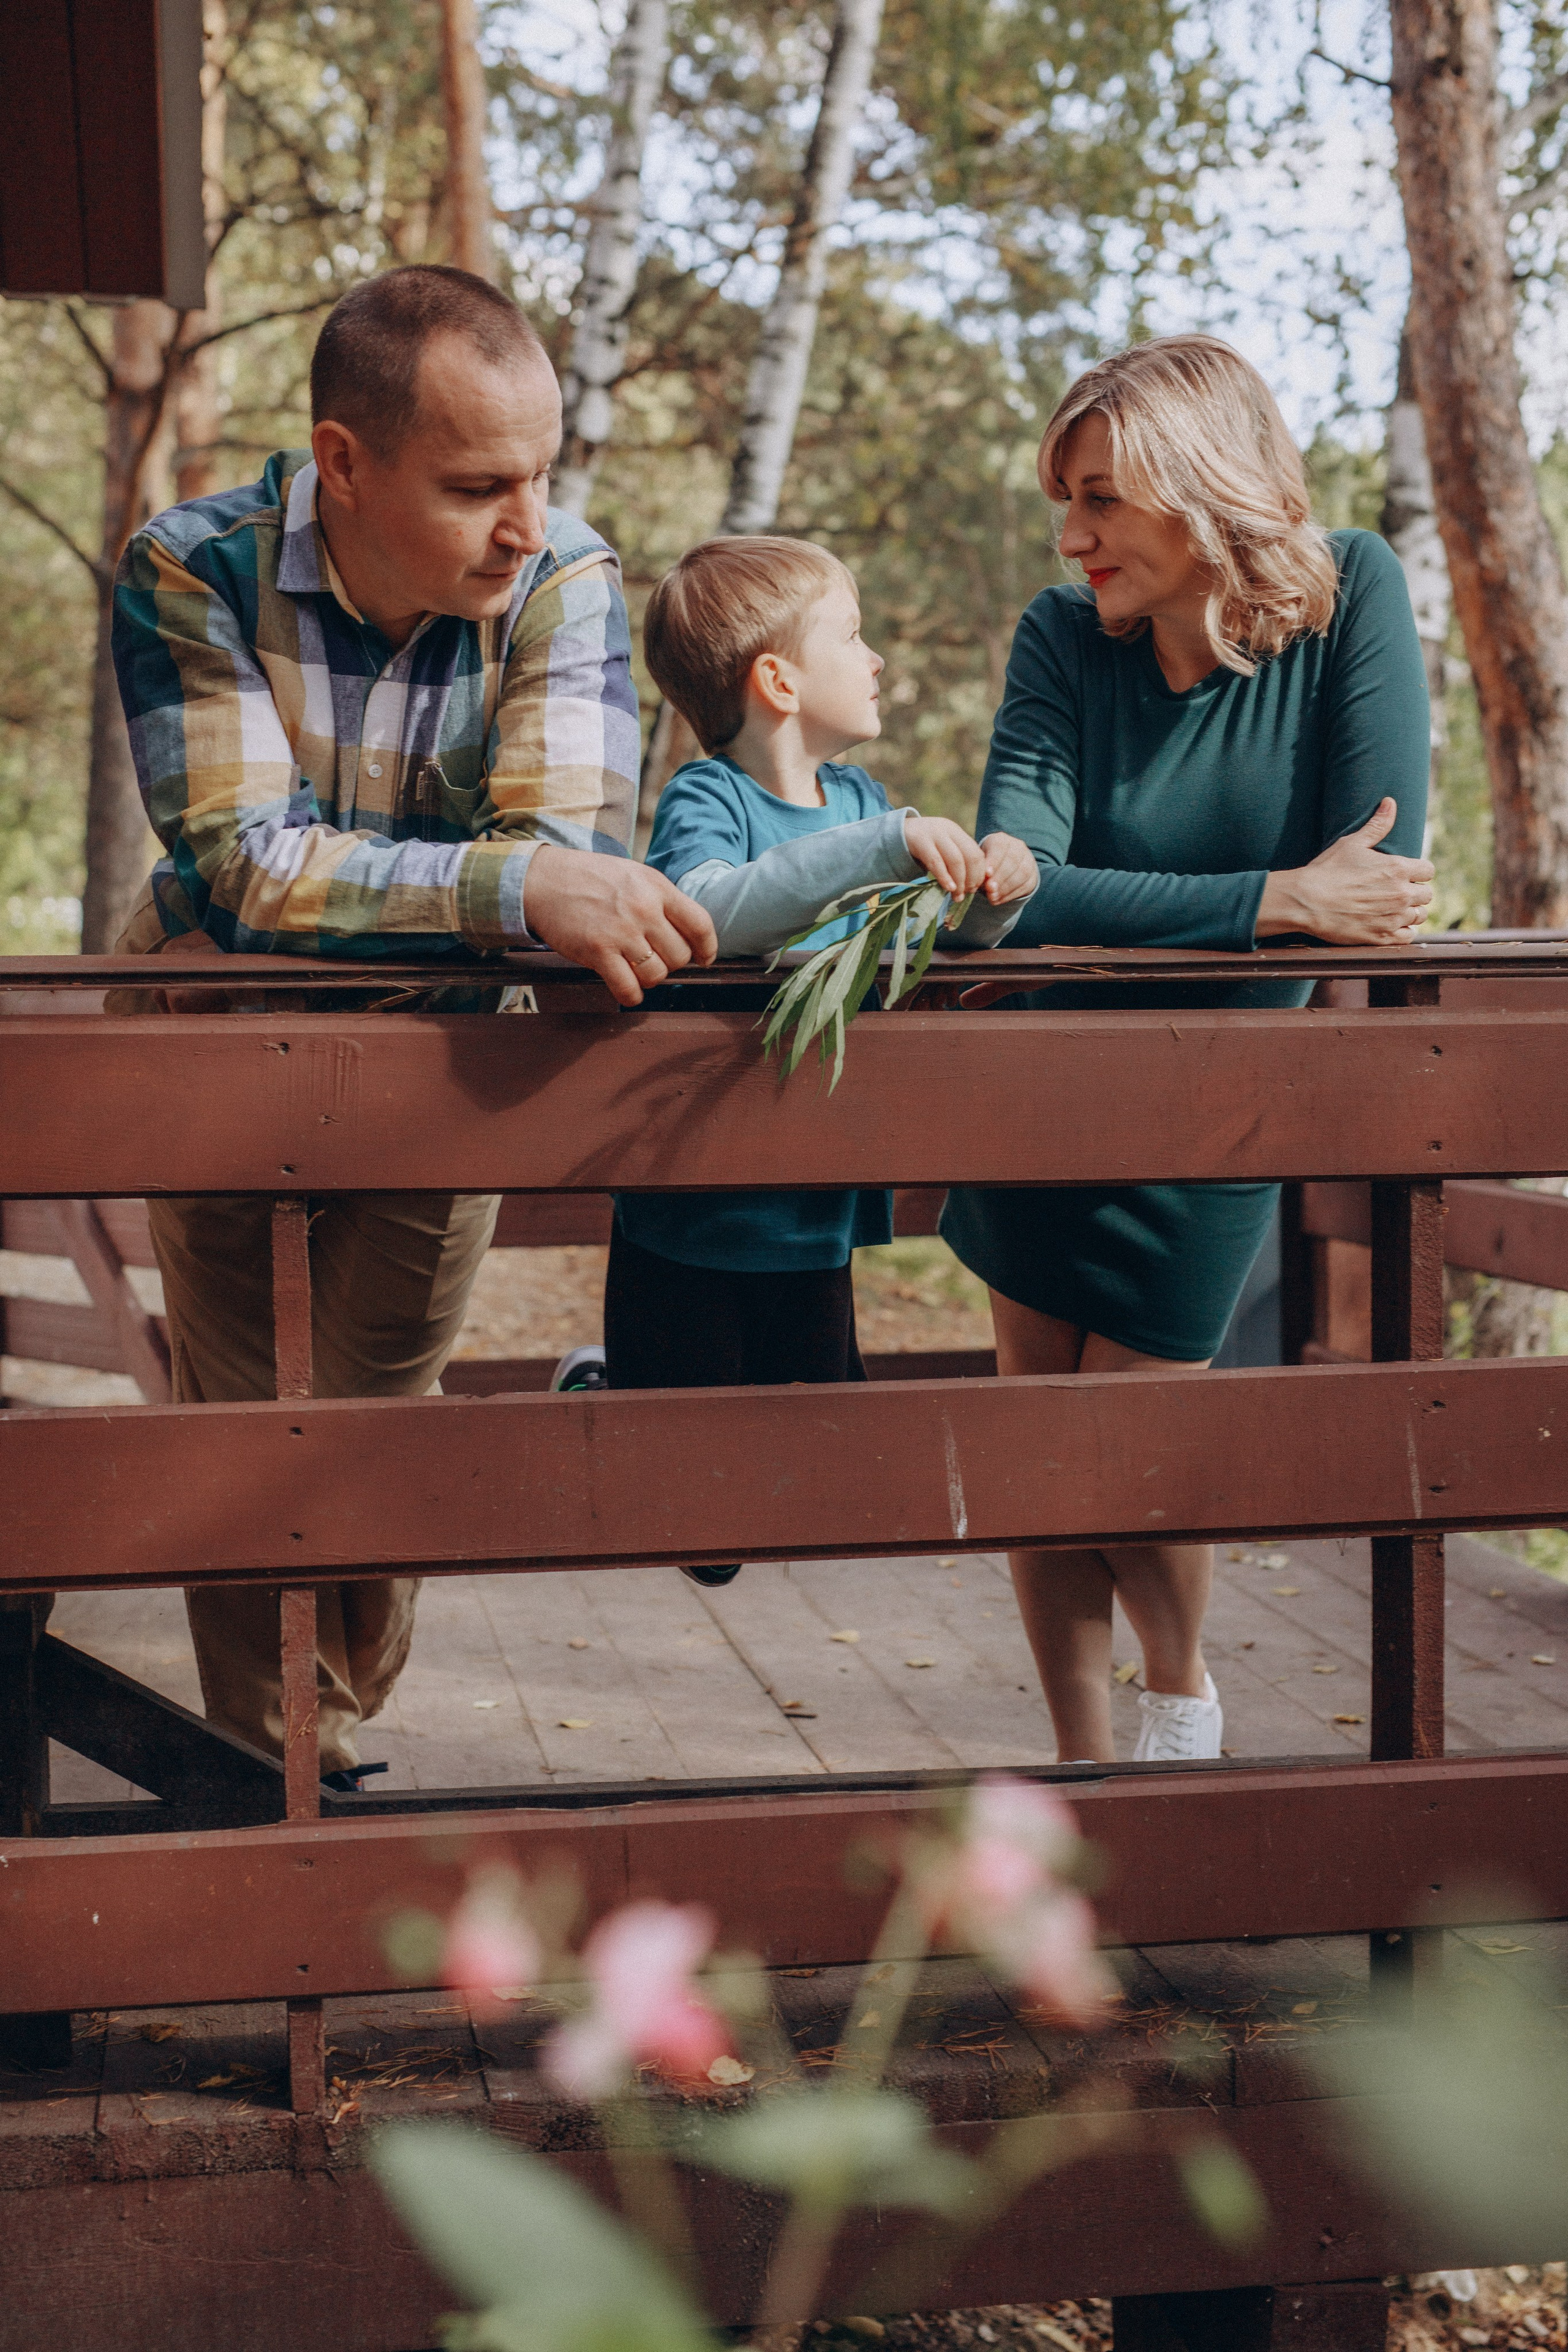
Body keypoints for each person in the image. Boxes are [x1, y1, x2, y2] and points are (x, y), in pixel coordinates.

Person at [109, 265, 715, 1785]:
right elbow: (246, 868)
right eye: (476, 486)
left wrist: (503, 886)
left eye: (539, 476)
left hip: (451, 1049)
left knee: (379, 1412)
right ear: (342, 464)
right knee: (244, 1418)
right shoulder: (190, 567)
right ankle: (274, 1778)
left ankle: (315, 1728)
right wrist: (511, 884)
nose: (525, 521)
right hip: (212, 1029)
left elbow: (563, 848)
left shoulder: (564, 576)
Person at [939, 333, 1435, 1766]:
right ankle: (1083, 1768)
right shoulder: (1058, 636)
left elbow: (1384, 872)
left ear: (1201, 489)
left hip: (1224, 1111)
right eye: (1063, 497)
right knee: (1047, 1465)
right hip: (1037, 1097)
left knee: (1140, 1458)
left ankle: (1181, 1706)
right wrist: (1271, 900)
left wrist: (1210, 910)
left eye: (1099, 498)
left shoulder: (1350, 597)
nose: (1070, 533)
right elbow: (1013, 890)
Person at [555, 535, 1037, 1588]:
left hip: (817, 1208)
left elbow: (930, 937)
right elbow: (713, 910)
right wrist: (889, 847)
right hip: (695, 1207)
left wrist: (993, 893)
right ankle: (598, 1391)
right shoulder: (706, 800)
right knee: (695, 1525)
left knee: (814, 1478)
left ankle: (627, 1395)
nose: (877, 663)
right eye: (853, 637)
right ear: (777, 680)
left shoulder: (867, 804)